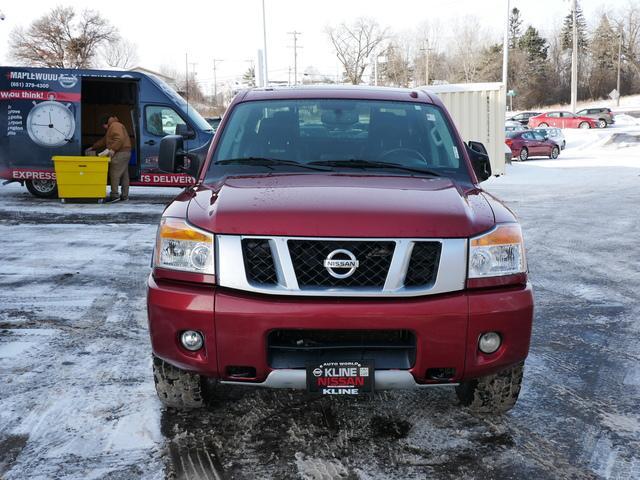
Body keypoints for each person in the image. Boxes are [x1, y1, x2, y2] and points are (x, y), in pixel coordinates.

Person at [88, 116, 132, 203]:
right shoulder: (113, 126)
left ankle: (114, 195)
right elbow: (104, 140)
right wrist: (93, 147)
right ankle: (124, 196)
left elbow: (119, 139)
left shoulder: (114, 126)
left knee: (114, 173)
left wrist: (113, 149)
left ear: (106, 123)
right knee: (124, 176)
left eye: (103, 126)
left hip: (120, 153)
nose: (103, 128)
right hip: (124, 152)